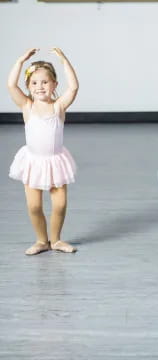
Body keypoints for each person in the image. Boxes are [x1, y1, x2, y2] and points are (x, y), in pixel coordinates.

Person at [8, 48, 79, 255]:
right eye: (35, 83)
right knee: (34, 207)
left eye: (45, 82)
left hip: (56, 162)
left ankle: (55, 240)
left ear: (54, 84)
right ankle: (41, 240)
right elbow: (11, 85)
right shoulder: (27, 106)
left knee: (60, 205)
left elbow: (74, 87)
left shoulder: (58, 107)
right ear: (28, 87)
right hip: (33, 162)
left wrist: (64, 60)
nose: (40, 87)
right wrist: (21, 61)